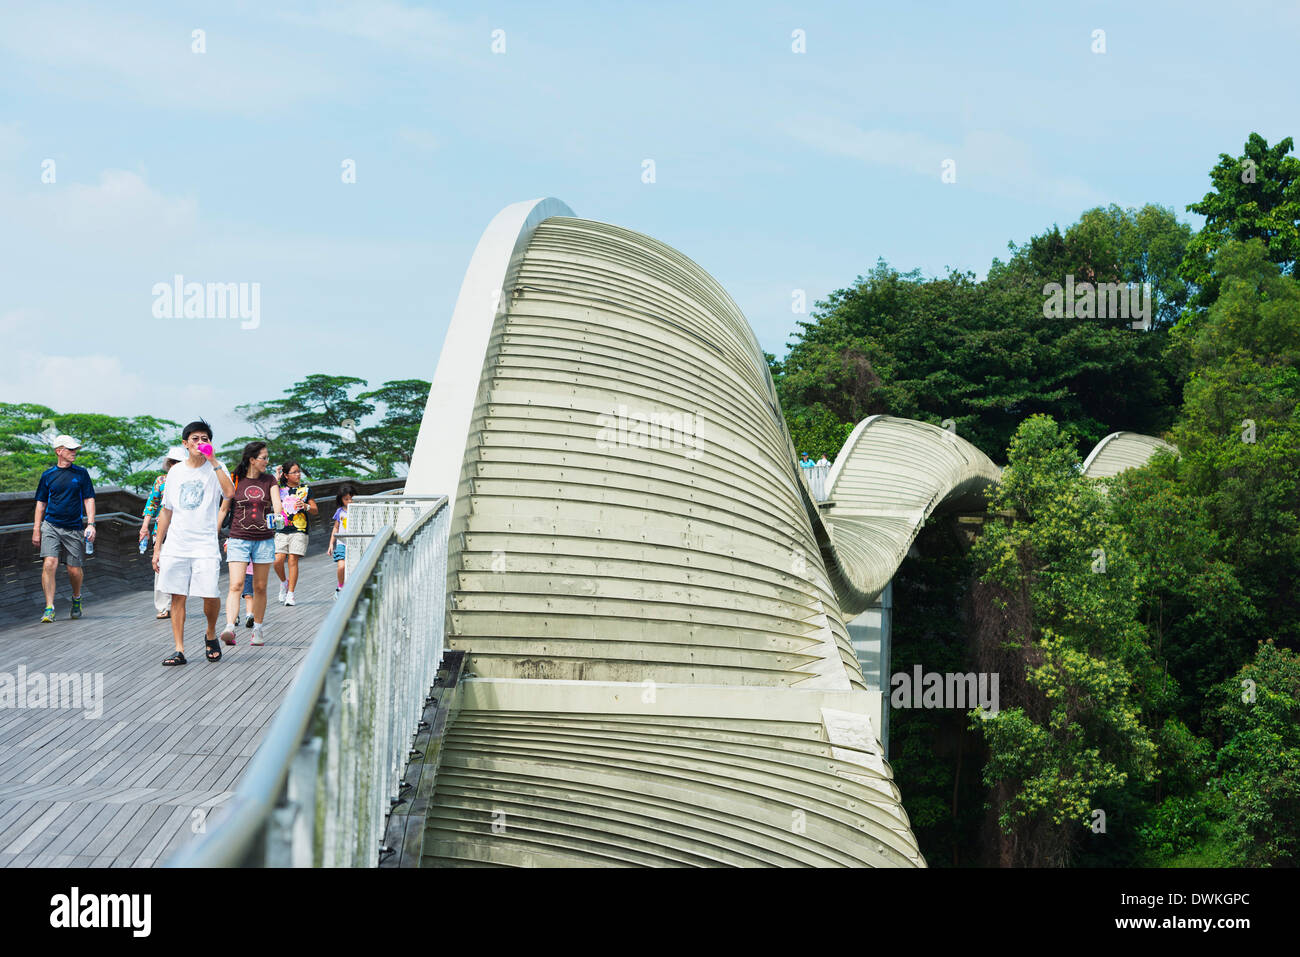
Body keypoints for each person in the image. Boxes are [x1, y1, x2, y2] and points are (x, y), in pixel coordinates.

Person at [153, 420, 234, 665]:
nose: (200, 443)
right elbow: (166, 511)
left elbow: (229, 494)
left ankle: (210, 633)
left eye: (205, 439)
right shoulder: (175, 472)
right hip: (177, 543)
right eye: (195, 439)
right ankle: (179, 649)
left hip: (205, 543)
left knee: (210, 593)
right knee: (177, 596)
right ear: (185, 443)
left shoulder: (217, 467)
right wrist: (158, 548)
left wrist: (213, 461)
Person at [216, 442, 282, 648]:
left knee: (260, 587)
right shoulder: (236, 480)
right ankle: (229, 627)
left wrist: (280, 514)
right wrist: (213, 533)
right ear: (252, 460)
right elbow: (224, 509)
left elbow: (277, 504)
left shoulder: (270, 480)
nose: (267, 461)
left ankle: (258, 629)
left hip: (264, 539)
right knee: (235, 585)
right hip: (238, 538)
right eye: (264, 457)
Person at [32, 434, 96, 623]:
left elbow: (89, 498)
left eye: (75, 449)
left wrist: (91, 524)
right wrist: (37, 528)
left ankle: (76, 598)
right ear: (59, 451)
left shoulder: (81, 473)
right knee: (49, 563)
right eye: (70, 449)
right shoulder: (48, 475)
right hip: (51, 525)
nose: (74, 452)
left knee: (73, 570)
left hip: (74, 527)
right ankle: (49, 608)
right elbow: (41, 503)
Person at [140, 445, 185, 619]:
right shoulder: (161, 481)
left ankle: (176, 602)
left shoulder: (189, 481)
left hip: (182, 529)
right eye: (172, 462)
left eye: (178, 462)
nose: (174, 465)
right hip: (162, 529)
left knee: (178, 567)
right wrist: (145, 526)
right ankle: (163, 606)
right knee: (161, 566)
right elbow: (151, 503)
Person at [273, 462, 316, 607]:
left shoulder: (305, 489)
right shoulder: (279, 489)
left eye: (299, 472)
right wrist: (276, 477)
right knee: (277, 560)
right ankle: (284, 582)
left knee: (293, 560)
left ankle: (290, 594)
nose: (298, 474)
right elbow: (268, 493)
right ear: (286, 475)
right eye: (294, 472)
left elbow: (315, 509)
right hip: (281, 528)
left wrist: (306, 506)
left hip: (299, 528)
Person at [328, 484, 355, 600]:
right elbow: (336, 528)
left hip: (355, 543)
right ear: (341, 500)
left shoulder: (359, 510)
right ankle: (340, 587)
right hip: (342, 543)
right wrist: (331, 544)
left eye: (351, 498)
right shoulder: (340, 512)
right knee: (341, 567)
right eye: (346, 499)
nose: (349, 501)